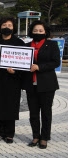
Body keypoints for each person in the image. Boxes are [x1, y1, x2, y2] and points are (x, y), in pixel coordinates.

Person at [0, 17, 25, 143]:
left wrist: (15, 70)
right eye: (4, 25)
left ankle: (10, 133)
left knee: (10, 105)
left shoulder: (19, 43)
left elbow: (24, 62)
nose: (7, 27)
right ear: (0, 27)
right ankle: (0, 131)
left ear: (13, 27)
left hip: (12, 79)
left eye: (9, 25)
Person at [22, 20, 60, 149]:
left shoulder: (52, 45)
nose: (38, 32)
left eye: (40, 30)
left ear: (45, 32)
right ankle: (35, 136)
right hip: (30, 84)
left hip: (47, 84)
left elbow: (55, 62)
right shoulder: (26, 46)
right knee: (33, 112)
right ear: (31, 32)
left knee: (46, 112)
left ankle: (44, 137)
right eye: (35, 30)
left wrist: (39, 67)